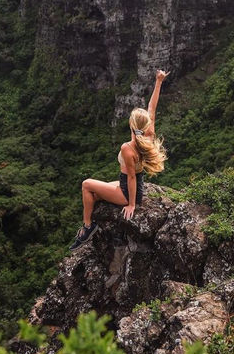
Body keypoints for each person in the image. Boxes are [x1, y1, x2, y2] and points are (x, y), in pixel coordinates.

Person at [69, 69, 170, 250]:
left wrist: (131, 204)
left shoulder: (127, 148)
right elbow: (152, 108)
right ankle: (91, 224)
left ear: (131, 125)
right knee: (96, 194)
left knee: (86, 185)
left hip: (127, 191)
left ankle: (87, 227)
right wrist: (159, 81)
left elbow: (130, 177)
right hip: (137, 185)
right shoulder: (149, 134)